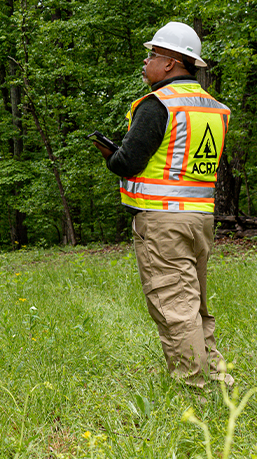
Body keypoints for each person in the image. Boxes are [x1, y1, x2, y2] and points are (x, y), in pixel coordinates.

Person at [91, 21, 233, 389]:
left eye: (152, 54)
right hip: (199, 220)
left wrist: (111, 155)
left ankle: (195, 393)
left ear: (171, 63)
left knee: (174, 307)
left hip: (162, 222)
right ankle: (218, 378)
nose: (146, 60)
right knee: (196, 305)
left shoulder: (158, 104)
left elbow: (128, 162)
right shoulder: (214, 109)